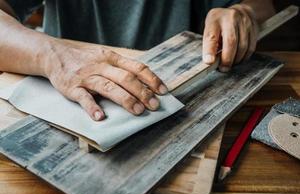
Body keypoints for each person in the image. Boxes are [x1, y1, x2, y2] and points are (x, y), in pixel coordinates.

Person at [0, 0, 275, 121]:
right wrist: (53, 57)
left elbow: (263, 7)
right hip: (66, 102)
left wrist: (243, 11)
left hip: (183, 102)